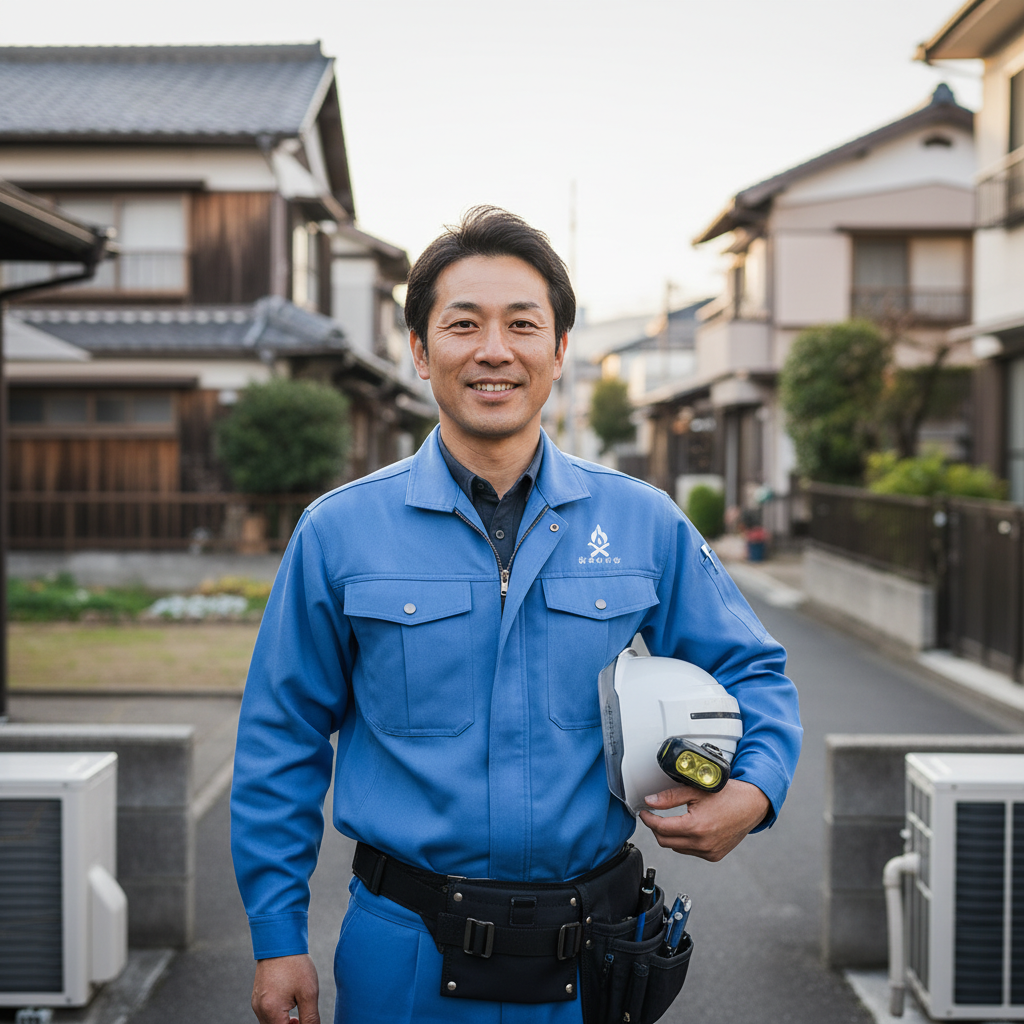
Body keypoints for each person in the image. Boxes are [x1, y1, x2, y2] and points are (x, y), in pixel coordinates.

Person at [231, 206, 802, 1024]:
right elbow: (279, 736)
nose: (493, 349)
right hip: (406, 949)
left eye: (522, 325)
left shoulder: (642, 522)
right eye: (462, 325)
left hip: (594, 955)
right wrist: (277, 936)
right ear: (422, 353)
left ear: (559, 350)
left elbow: (753, 669)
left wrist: (753, 791)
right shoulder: (340, 531)